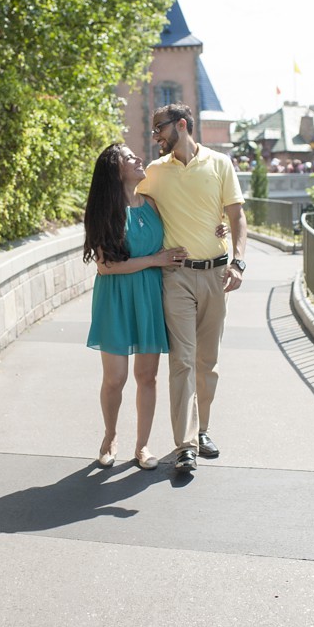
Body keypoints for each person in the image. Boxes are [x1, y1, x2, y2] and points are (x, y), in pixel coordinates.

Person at [138, 104, 248, 473]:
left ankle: (202, 430)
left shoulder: (220, 164)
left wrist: (239, 261)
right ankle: (185, 445)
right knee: (182, 360)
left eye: (159, 130)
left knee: (207, 361)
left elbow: (237, 217)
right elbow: (133, 204)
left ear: (181, 125)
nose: (155, 137)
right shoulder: (154, 172)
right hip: (177, 277)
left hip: (217, 275)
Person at [83, 144, 188, 470]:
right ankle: (110, 437)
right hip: (115, 297)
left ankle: (142, 446)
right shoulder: (104, 210)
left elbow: (186, 226)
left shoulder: (153, 204)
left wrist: (218, 229)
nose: (138, 159)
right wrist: (155, 260)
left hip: (148, 295)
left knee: (147, 376)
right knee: (115, 378)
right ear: (115, 171)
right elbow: (105, 267)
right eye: (129, 158)